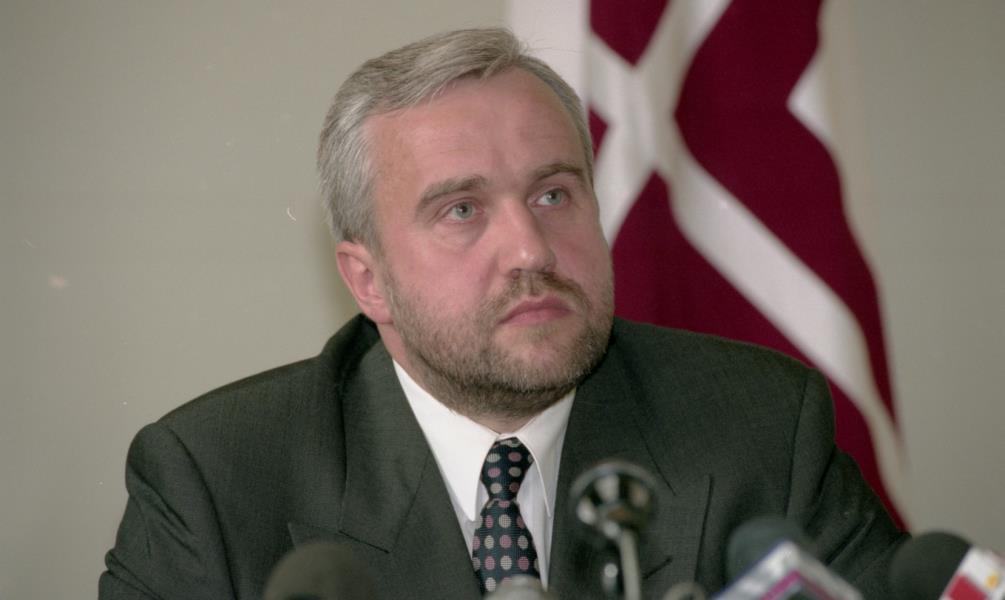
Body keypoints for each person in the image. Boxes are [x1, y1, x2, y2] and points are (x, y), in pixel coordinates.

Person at [99, 28, 904, 599]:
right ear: (368, 281)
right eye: (461, 210)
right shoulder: (213, 480)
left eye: (553, 195)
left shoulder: (762, 427)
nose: (529, 250)